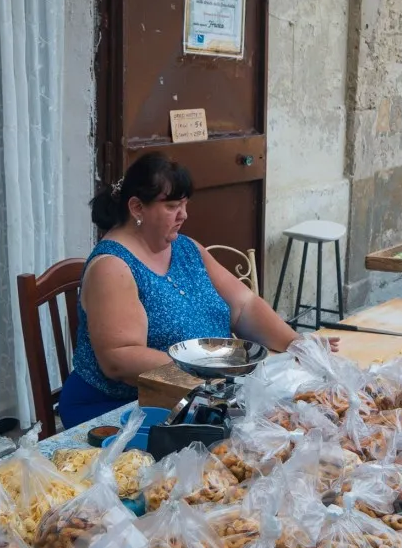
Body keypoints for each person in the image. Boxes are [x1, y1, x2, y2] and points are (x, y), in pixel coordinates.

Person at [58, 152, 338, 428]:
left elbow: (243, 306)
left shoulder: (185, 248)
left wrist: (295, 343)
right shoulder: (112, 267)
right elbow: (120, 359)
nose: (183, 215)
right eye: (172, 207)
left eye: (184, 204)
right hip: (123, 411)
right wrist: (204, 372)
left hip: (200, 396)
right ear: (136, 208)